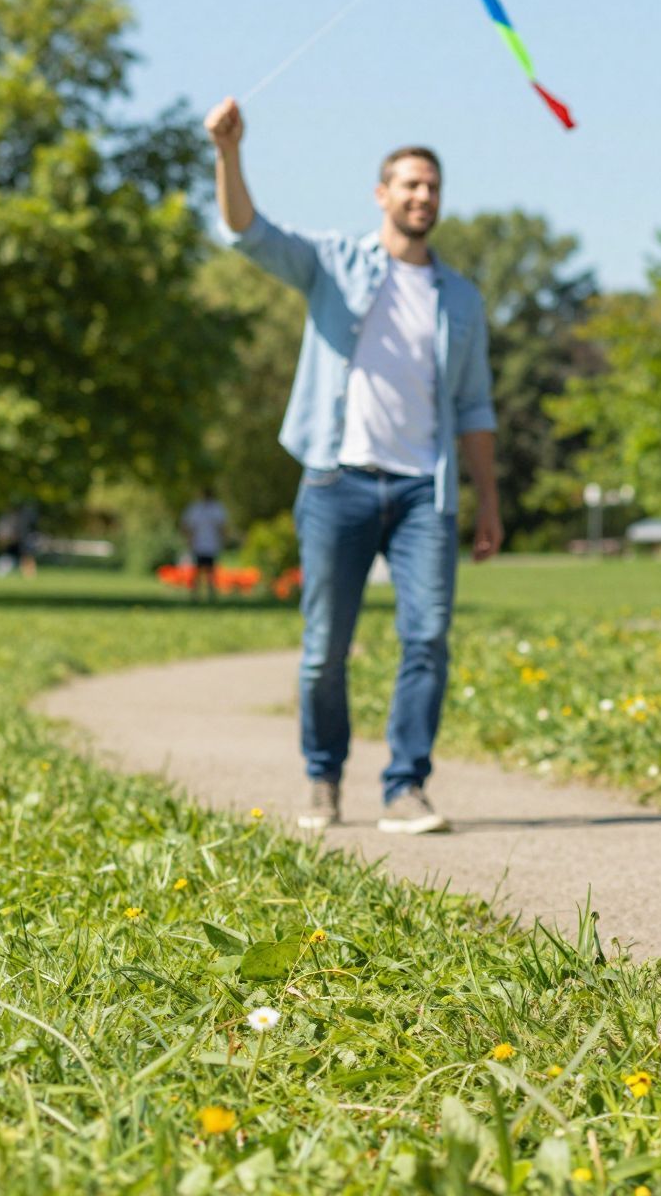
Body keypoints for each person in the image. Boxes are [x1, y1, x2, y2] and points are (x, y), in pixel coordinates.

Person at [204, 96, 502, 835]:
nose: (422, 195)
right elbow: (247, 231)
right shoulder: (333, 263)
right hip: (337, 482)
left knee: (426, 639)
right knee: (322, 652)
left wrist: (489, 502)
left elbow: (474, 405)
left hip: (424, 491)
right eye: (410, 184)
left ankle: (405, 788)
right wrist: (228, 152)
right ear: (381, 194)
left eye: (432, 186)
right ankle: (322, 777)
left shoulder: (461, 299)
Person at [179, 488, 230, 602]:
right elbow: (222, 527)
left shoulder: (210, 508)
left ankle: (208, 595)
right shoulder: (202, 508)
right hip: (201, 544)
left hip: (208, 544)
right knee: (200, 571)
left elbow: (222, 527)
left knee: (208, 571)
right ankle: (198, 595)